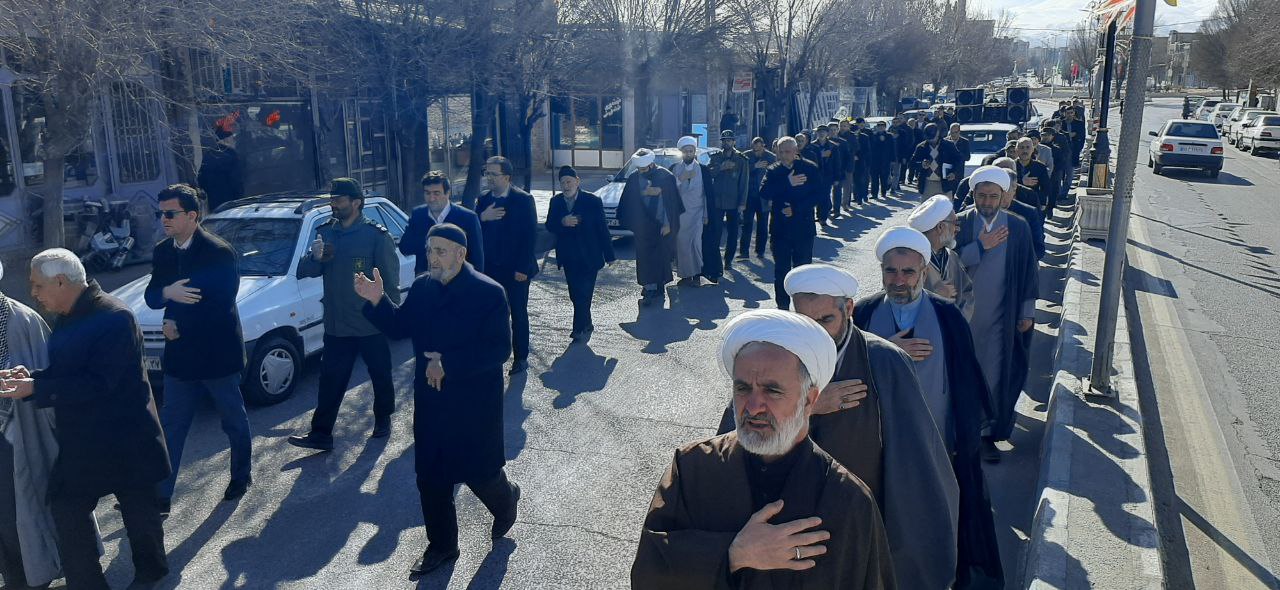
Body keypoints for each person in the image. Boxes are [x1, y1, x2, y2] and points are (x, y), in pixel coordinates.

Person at [715, 264, 961, 589]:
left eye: (825, 320)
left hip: (856, 533)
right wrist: (809, 407)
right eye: (805, 321)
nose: (815, 333)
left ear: (848, 309)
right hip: (782, 537)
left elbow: (916, 464)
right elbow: (735, 439)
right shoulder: (777, 355)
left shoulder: (884, 362)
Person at [631, 310, 895, 588]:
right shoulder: (693, 467)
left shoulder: (848, 501)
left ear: (810, 399)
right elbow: (648, 571)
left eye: (772, 390)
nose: (753, 406)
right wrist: (733, 554)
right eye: (743, 388)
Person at [355, 224, 520, 577]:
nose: (433, 257)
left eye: (441, 251)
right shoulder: (422, 288)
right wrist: (377, 301)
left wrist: (449, 365)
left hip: (474, 402)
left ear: (462, 254)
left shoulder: (488, 292)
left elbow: (499, 349)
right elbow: (400, 327)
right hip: (432, 400)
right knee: (431, 476)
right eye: (430, 250)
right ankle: (442, 545)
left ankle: (507, 501)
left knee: (480, 473)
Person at [3, 250, 169, 590]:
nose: (33, 294)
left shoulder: (115, 316)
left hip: (126, 440)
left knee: (140, 516)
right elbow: (66, 374)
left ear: (61, 282)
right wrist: (31, 378)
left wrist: (38, 387)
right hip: (83, 442)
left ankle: (151, 574)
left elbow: (98, 383)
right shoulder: (65, 313)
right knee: (65, 509)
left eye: (37, 286)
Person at [851, 229, 1004, 588]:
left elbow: (966, 381)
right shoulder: (865, 312)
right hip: (880, 443)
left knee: (938, 514)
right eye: (891, 271)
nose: (899, 280)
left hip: (938, 441)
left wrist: (960, 439)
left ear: (923, 272)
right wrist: (884, 348)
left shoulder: (947, 315)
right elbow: (846, 367)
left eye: (908, 272)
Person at [144, 184, 252, 512]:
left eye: (170, 213)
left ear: (192, 215)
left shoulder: (218, 252)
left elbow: (220, 304)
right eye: (160, 213)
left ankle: (241, 475)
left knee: (232, 420)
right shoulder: (164, 251)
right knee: (172, 426)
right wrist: (167, 294)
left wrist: (179, 324)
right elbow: (151, 295)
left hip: (217, 355)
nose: (163, 219)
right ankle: (161, 496)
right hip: (180, 359)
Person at [289, 178, 400, 451]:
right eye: (332, 200)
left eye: (338, 200)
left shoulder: (376, 236)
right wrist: (314, 258)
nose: (333, 205)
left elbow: (390, 279)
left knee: (380, 374)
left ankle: (383, 417)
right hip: (337, 324)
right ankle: (321, 433)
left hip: (369, 322)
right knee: (330, 380)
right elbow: (306, 271)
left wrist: (393, 316)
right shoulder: (326, 232)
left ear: (356, 203)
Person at [957, 166, 1039, 463]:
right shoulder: (960, 224)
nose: (988, 202)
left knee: (993, 376)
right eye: (982, 196)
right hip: (960, 320)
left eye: (994, 196)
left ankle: (986, 437)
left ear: (1004, 197)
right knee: (960, 378)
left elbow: (1029, 272)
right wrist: (979, 246)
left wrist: (1026, 312)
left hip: (999, 322)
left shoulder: (1018, 227)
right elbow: (944, 265)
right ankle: (960, 435)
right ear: (973, 194)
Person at [0, 261, 63, 590]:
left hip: (19, 435)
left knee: (19, 517)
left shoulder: (24, 321)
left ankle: (32, 578)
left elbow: (48, 381)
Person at [476, 156, 539, 374]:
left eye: (493, 174)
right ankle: (495, 354)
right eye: (487, 173)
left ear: (507, 177)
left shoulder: (523, 200)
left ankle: (520, 358)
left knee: (518, 314)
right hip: (491, 270)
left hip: (516, 271)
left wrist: (522, 268)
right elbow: (473, 233)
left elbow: (530, 236)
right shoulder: (482, 201)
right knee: (493, 314)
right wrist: (482, 217)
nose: (489, 178)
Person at [546, 166, 615, 343]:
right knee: (575, 294)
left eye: (569, 181)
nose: (566, 185)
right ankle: (587, 323)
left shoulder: (592, 201)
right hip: (569, 257)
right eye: (562, 182)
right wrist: (562, 222)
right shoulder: (556, 202)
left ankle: (578, 329)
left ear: (577, 181)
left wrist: (610, 255)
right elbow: (549, 225)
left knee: (584, 292)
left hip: (589, 256)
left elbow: (602, 229)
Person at [760, 137, 824, 310]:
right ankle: (783, 308)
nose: (783, 155)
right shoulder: (773, 171)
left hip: (803, 228)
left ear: (796, 151)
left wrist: (795, 209)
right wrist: (786, 183)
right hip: (780, 230)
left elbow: (819, 195)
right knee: (781, 271)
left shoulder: (809, 168)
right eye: (780, 152)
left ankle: (803, 308)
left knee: (802, 271)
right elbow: (764, 192)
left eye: (787, 151)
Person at [617, 148, 682, 306]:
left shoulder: (665, 176)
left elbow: (673, 203)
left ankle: (658, 286)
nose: (641, 171)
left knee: (661, 257)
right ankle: (649, 287)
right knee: (645, 258)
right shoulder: (634, 177)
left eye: (644, 168)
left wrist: (668, 223)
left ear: (652, 164)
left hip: (661, 224)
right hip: (642, 225)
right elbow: (628, 200)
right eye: (639, 169)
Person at [401, 171, 484, 274]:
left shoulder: (467, 218)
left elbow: (477, 259)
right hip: (428, 282)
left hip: (458, 282)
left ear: (448, 193)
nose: (431, 198)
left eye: (436, 193)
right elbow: (405, 248)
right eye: (427, 193)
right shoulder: (418, 215)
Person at [908, 195, 974, 319]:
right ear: (940, 227)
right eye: (955, 223)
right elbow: (895, 301)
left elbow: (967, 292)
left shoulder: (951, 256)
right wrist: (933, 296)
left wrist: (958, 323)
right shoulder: (909, 261)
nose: (958, 228)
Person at [670, 136, 712, 288]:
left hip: (698, 214)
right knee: (682, 245)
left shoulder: (703, 170)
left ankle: (696, 275)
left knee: (696, 244)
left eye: (691, 151)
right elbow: (670, 191)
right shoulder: (675, 169)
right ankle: (686, 275)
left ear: (695, 152)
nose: (688, 154)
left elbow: (708, 195)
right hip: (681, 215)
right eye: (686, 151)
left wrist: (706, 214)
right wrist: (681, 179)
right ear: (681, 152)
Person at [707, 130, 749, 277]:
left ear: (734, 142)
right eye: (724, 140)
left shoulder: (741, 159)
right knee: (716, 233)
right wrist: (721, 167)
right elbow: (709, 173)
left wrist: (742, 203)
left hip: (734, 202)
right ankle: (716, 262)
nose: (727, 143)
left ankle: (728, 260)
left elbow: (744, 183)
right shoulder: (716, 157)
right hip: (718, 202)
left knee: (733, 233)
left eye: (729, 140)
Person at [992, 160, 1047, 260]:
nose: (1001, 195)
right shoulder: (980, 211)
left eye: (1005, 190)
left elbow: (1038, 248)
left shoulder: (1028, 213)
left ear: (1014, 189)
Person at [739, 138, 775, 261]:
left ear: (763, 146)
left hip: (764, 197)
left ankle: (760, 251)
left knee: (762, 225)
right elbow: (741, 171)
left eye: (759, 148)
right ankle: (744, 252)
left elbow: (774, 177)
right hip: (749, 196)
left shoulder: (771, 157)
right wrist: (755, 166)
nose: (757, 151)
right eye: (755, 148)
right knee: (747, 224)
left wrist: (772, 197)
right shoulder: (746, 156)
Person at [196, 122, 244, 212]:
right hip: (231, 202)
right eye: (232, 138)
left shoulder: (207, 155)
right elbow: (237, 181)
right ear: (226, 139)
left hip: (214, 202)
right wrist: (240, 198)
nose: (234, 141)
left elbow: (201, 180)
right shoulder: (231, 155)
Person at [912, 123, 962, 199]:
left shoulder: (948, 145)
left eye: (933, 137)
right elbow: (912, 163)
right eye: (929, 138)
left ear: (938, 133)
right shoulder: (921, 147)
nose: (931, 140)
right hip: (927, 184)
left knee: (946, 209)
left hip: (944, 184)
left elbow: (959, 160)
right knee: (927, 209)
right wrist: (921, 164)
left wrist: (954, 173)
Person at [812, 127, 842, 225]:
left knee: (825, 195)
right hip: (815, 175)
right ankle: (820, 213)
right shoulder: (812, 146)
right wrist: (821, 155)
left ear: (827, 133)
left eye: (823, 132)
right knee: (818, 195)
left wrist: (837, 177)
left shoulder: (833, 146)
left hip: (828, 175)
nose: (821, 134)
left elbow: (837, 163)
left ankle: (823, 218)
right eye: (819, 132)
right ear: (817, 133)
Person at [1014, 138, 1050, 214]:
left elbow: (1046, 187)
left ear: (1033, 149)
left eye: (1028, 147)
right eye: (1021, 147)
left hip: (1034, 205)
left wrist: (1042, 203)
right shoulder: (1011, 166)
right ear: (1016, 150)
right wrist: (1021, 182)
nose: (1025, 151)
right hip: (1014, 204)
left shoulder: (1040, 167)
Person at [868, 121, 895, 200]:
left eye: (882, 125)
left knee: (884, 177)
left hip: (885, 160)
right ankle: (874, 194)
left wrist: (893, 159)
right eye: (879, 125)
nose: (880, 127)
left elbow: (892, 148)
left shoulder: (889, 136)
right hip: (874, 160)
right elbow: (871, 147)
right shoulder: (873, 135)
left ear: (885, 127)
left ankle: (883, 192)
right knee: (874, 178)